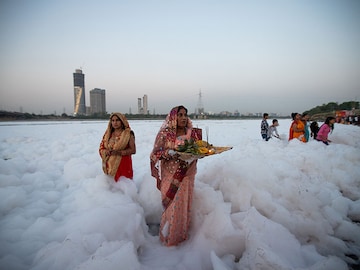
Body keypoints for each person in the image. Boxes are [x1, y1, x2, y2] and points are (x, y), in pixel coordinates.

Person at [150, 105, 200, 246]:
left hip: (188, 174)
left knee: (184, 206)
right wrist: (167, 153)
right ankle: (168, 238)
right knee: (171, 206)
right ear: (173, 117)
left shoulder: (192, 133)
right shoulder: (165, 134)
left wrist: (199, 154)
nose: (183, 117)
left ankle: (181, 237)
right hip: (171, 175)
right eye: (180, 115)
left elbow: (199, 149)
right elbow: (155, 153)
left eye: (185, 114)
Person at [99, 112, 136, 181]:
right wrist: (105, 151)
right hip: (109, 166)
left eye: (117, 120)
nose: (115, 122)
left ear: (122, 121)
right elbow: (101, 147)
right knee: (110, 187)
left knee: (124, 186)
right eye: (113, 120)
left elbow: (133, 150)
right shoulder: (108, 134)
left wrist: (119, 152)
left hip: (123, 165)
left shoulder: (128, 134)